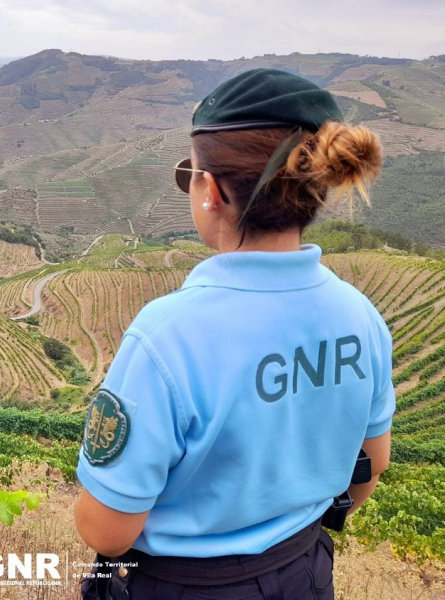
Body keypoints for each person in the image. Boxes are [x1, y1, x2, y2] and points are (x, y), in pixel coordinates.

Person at [73, 68, 395, 600]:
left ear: (213, 191)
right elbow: (369, 468)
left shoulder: (167, 335)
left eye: (193, 175)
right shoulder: (359, 314)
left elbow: (107, 530)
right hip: (307, 571)